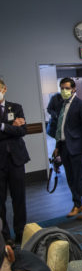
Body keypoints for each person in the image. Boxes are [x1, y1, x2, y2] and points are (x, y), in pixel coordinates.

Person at [53, 77, 82, 220]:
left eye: (67, 88)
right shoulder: (61, 104)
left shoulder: (80, 105)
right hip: (64, 146)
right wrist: (57, 146)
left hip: (77, 147)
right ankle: (77, 205)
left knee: (80, 179)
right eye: (62, 88)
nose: (64, 91)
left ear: (74, 89)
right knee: (71, 179)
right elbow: (60, 127)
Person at [0, 78, 30, 244]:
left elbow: (22, 131)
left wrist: (2, 126)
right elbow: (16, 129)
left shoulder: (16, 107)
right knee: (0, 201)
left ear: (4, 89)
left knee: (19, 198)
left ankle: (21, 232)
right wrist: (11, 126)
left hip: (17, 159)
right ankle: (4, 236)